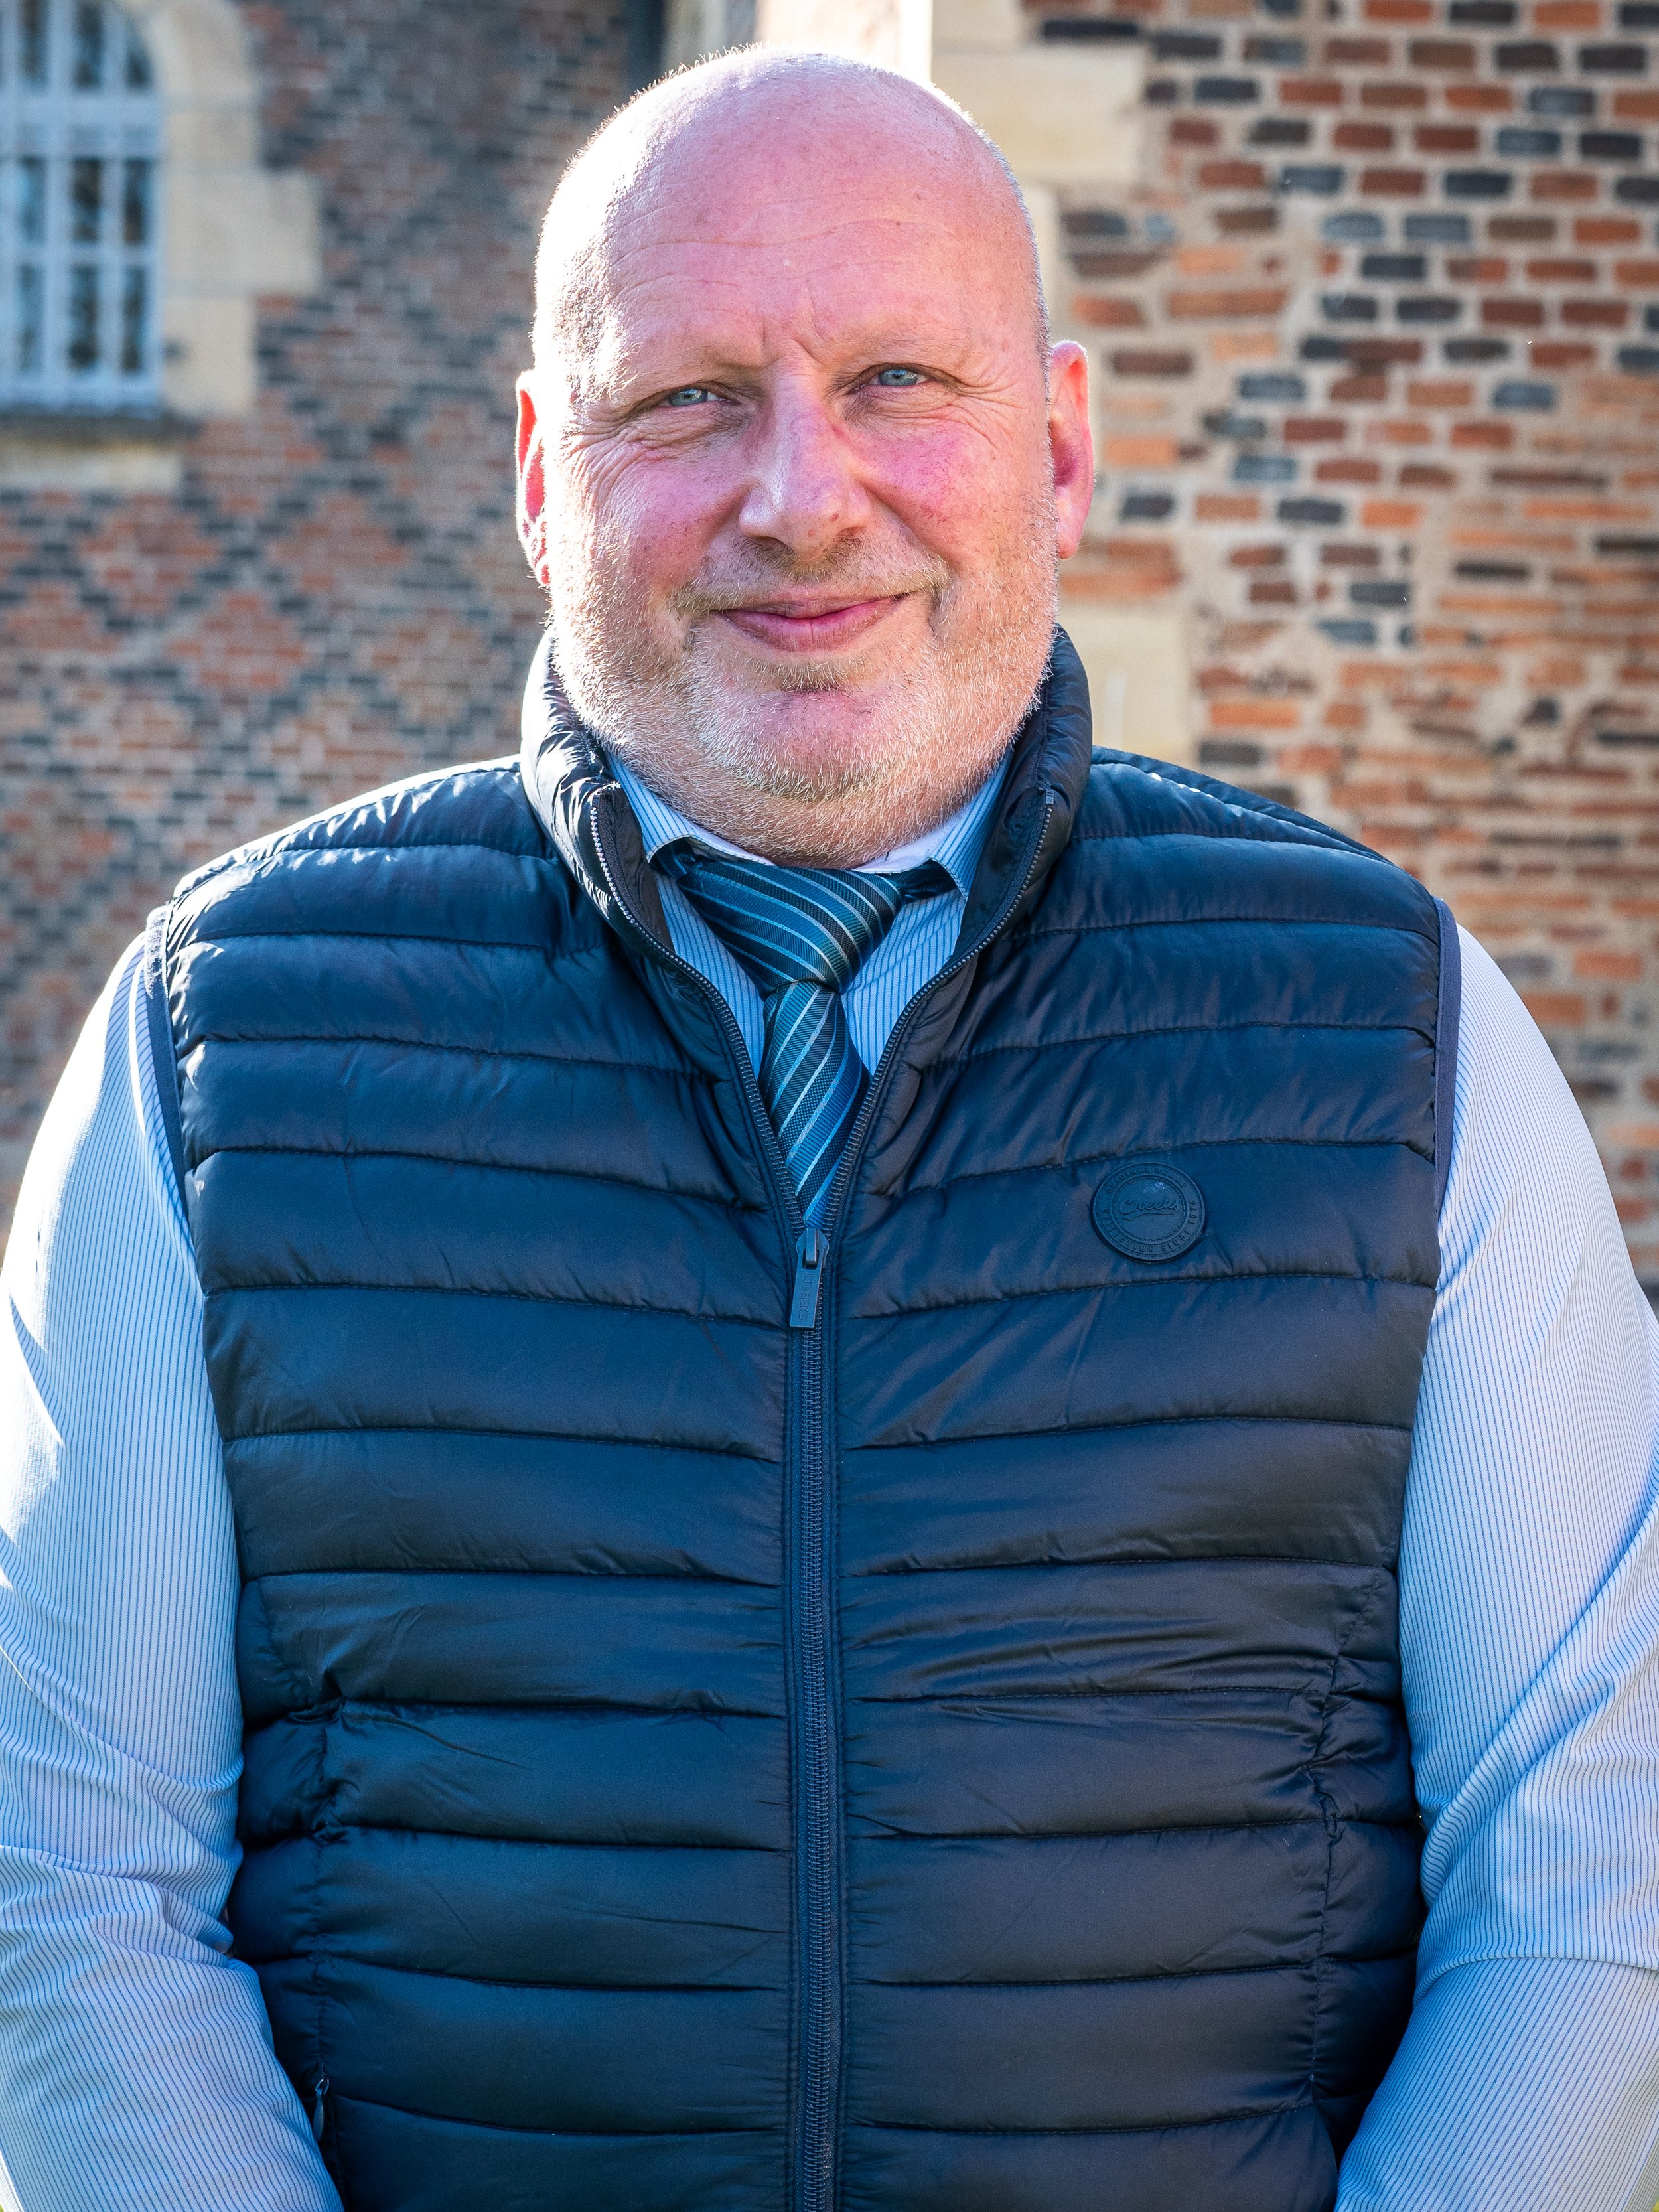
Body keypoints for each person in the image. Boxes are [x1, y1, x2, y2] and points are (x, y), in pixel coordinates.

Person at [2, 46, 1657, 2212]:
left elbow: (1595, 1864)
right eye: (684, 398)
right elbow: (69, 1882)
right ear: (535, 468)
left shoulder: (1385, 1030)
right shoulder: (220, 1046)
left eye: (894, 378)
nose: (801, 493)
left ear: (1055, 449)